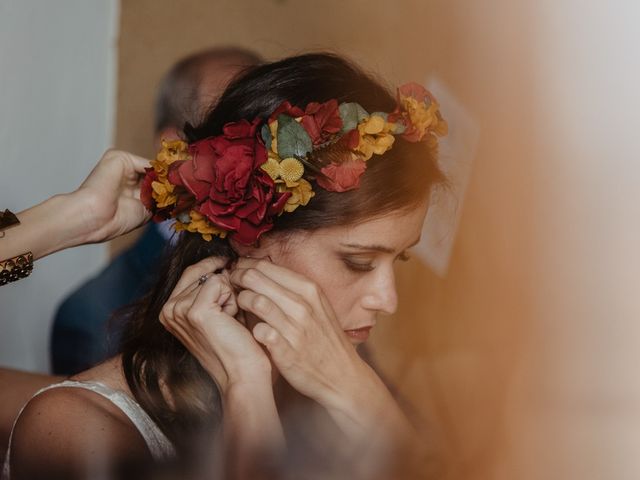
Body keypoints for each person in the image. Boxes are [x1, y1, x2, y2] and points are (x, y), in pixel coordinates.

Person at [3, 53, 447, 480]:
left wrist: (365, 401)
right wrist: (246, 389)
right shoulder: (78, 431)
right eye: (359, 261)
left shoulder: (332, 386)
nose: (387, 299)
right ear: (248, 236)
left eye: (399, 257)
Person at [51, 47, 262, 375]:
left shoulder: (306, 264)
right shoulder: (95, 313)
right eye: (235, 128)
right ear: (173, 145)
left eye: (268, 131)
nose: (260, 154)